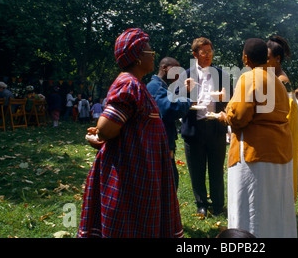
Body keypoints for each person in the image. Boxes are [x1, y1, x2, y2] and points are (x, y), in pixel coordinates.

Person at [78, 28, 183, 238]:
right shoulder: (128, 85)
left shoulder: (136, 84)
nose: (153, 55)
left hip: (141, 168)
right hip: (130, 171)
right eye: (149, 52)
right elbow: (107, 128)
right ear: (136, 57)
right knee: (129, 224)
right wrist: (98, 133)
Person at [218, 38, 297, 238]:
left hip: (255, 152)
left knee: (251, 205)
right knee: (274, 203)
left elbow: (239, 116)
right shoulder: (278, 81)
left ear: (246, 58)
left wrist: (226, 116)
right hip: (280, 150)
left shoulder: (249, 77)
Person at [177, 37, 232, 217]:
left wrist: (224, 100)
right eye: (203, 52)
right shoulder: (185, 74)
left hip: (216, 127)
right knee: (196, 170)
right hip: (194, 128)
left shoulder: (221, 74)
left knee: (216, 169)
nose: (208, 55)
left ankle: (218, 206)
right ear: (195, 54)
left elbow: (230, 100)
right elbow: (177, 101)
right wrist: (185, 91)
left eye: (210, 52)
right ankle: (201, 204)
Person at [147, 57, 192, 190]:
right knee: (168, 184)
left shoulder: (161, 86)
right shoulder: (156, 87)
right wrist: (188, 101)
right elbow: (170, 109)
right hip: (161, 143)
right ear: (165, 68)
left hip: (164, 142)